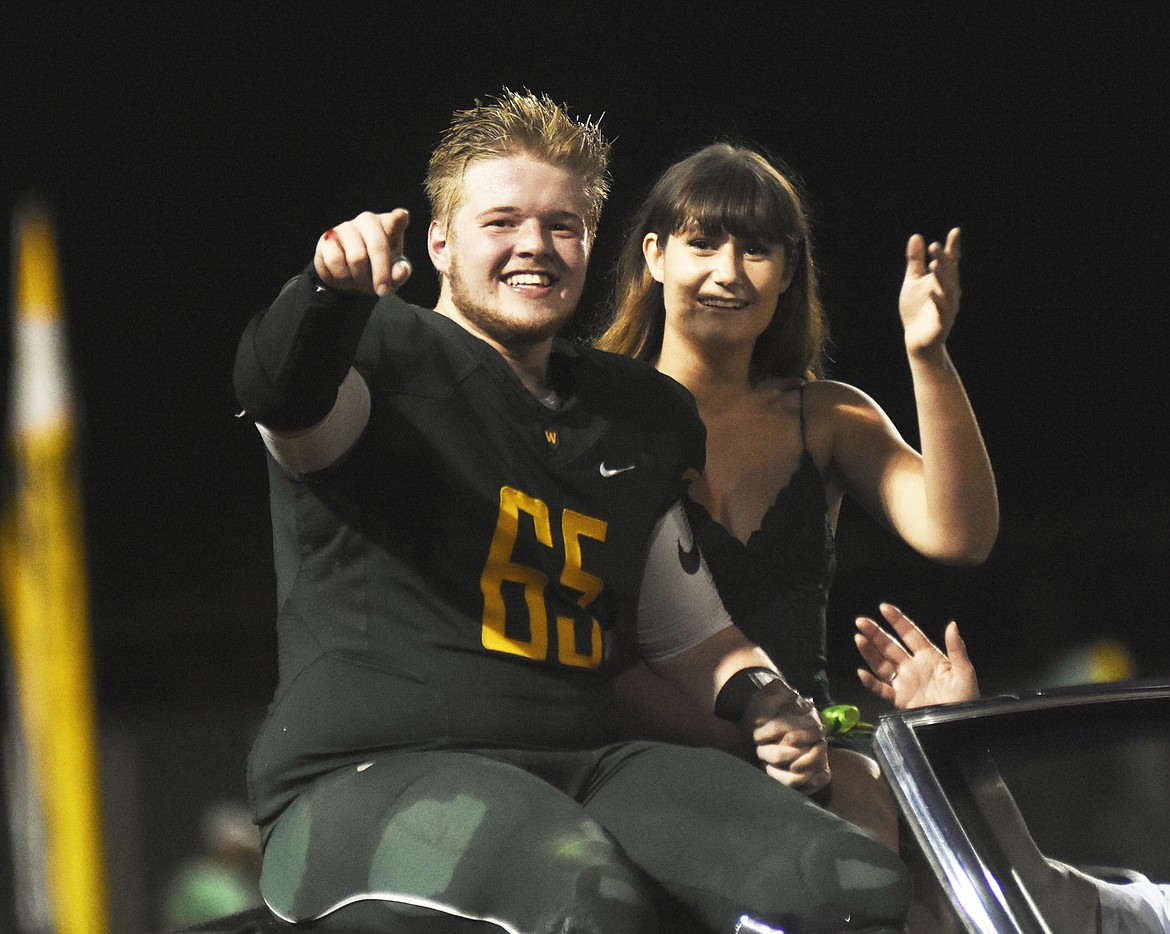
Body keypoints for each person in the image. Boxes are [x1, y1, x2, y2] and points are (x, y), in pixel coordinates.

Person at [233, 90, 912, 933]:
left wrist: (767, 699)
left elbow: (687, 632)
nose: (535, 246)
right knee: (582, 903)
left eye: (562, 225)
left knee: (844, 884)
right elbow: (280, 395)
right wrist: (327, 292)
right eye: (502, 221)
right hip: (370, 778)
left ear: (593, 243)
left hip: (591, 765)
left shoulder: (634, 411)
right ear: (440, 243)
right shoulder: (379, 353)